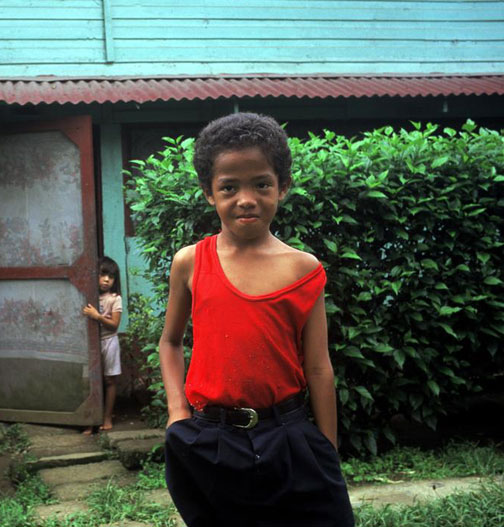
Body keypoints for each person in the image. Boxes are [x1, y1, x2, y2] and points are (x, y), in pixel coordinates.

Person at [160, 112, 355, 526]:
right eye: (229, 187)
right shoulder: (190, 263)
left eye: (261, 184)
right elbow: (170, 342)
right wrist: (178, 413)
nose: (246, 198)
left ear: (282, 187)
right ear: (209, 193)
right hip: (210, 441)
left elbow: (318, 367)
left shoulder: (304, 269)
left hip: (289, 436)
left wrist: (327, 449)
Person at [82, 256, 123, 434]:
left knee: (109, 379)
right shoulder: (87, 295)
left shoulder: (115, 298)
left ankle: (107, 416)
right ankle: (89, 420)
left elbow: (114, 324)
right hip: (90, 343)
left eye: (111, 277)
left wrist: (97, 316)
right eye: (103, 274)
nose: (106, 280)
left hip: (109, 341)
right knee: (89, 380)